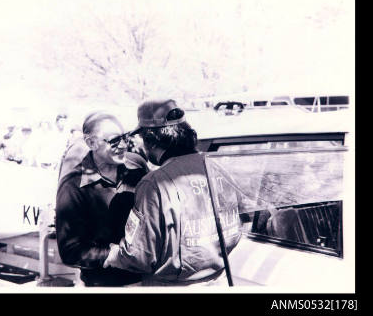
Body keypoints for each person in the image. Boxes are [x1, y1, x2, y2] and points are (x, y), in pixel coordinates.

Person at [103, 99, 242, 286]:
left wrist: (114, 255)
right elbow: (237, 228)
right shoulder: (219, 169)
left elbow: (139, 255)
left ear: (151, 140)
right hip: (221, 281)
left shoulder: (155, 183)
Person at [55, 111, 149, 286]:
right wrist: (114, 255)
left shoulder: (137, 166)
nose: (123, 145)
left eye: (125, 137)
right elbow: (70, 250)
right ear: (91, 143)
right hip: (104, 283)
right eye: (114, 140)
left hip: (148, 278)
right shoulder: (73, 186)